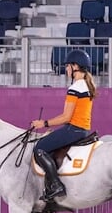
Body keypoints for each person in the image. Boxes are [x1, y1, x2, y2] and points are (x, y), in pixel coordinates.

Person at [30, 48, 97, 201]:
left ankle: (55, 185)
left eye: (67, 66)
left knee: (39, 148)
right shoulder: (86, 86)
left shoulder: (75, 87)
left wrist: (43, 123)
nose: (66, 69)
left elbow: (66, 117)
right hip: (82, 130)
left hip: (74, 129)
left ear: (75, 66)